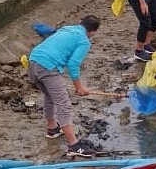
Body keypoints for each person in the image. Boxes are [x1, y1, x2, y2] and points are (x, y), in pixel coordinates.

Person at [27, 15, 102, 157]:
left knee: (49, 97)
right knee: (64, 104)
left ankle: (53, 129)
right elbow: (73, 64)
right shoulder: (84, 41)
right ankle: (73, 145)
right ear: (92, 32)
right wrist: (79, 87)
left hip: (33, 60)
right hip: (48, 66)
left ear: (81, 23)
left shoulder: (67, 28)